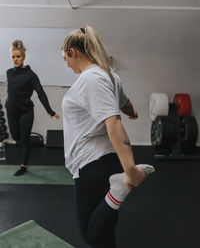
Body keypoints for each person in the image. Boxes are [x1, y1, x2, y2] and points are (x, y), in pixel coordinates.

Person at [61, 26, 155, 248]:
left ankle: (119, 189)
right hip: (106, 162)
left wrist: (130, 171)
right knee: (104, 229)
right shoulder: (110, 75)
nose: (66, 63)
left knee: (90, 234)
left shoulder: (90, 79)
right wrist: (133, 112)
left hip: (91, 162)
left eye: (65, 57)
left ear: (73, 52)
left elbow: (113, 123)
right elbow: (126, 104)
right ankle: (117, 190)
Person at [5, 40, 59, 176]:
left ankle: (23, 165)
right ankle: (23, 143)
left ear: (23, 57)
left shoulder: (31, 75)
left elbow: (41, 93)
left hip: (26, 111)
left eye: (18, 56)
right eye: (13, 57)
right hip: (11, 111)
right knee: (17, 137)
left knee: (25, 138)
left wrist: (49, 111)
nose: (16, 59)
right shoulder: (9, 73)